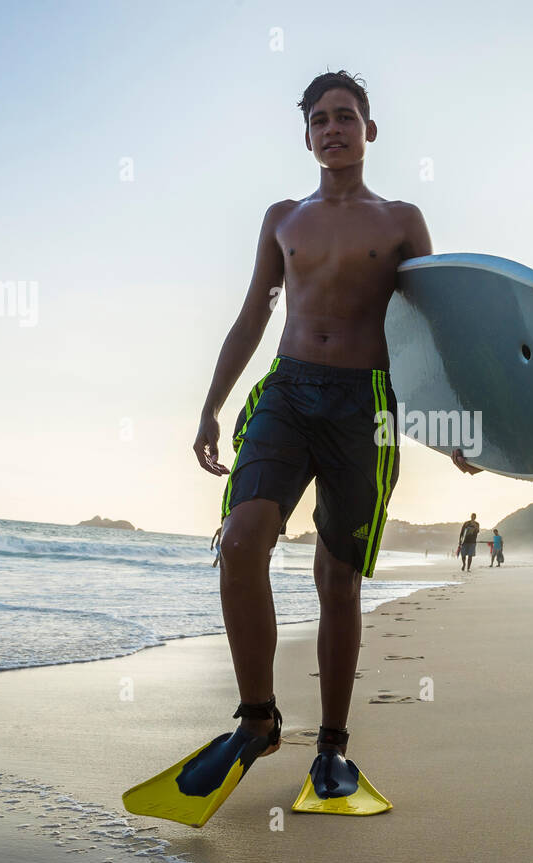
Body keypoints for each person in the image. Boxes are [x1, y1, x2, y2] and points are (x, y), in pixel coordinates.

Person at [181, 70, 468, 821]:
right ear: (306, 135)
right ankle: (258, 717)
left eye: (346, 116)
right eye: (319, 119)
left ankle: (333, 745)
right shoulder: (283, 219)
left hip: (365, 406)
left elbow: (429, 330)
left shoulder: (402, 219)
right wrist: (212, 405)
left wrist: (455, 423)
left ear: (370, 130)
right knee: (242, 540)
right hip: (286, 391)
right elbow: (252, 316)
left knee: (337, 579)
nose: (333, 128)